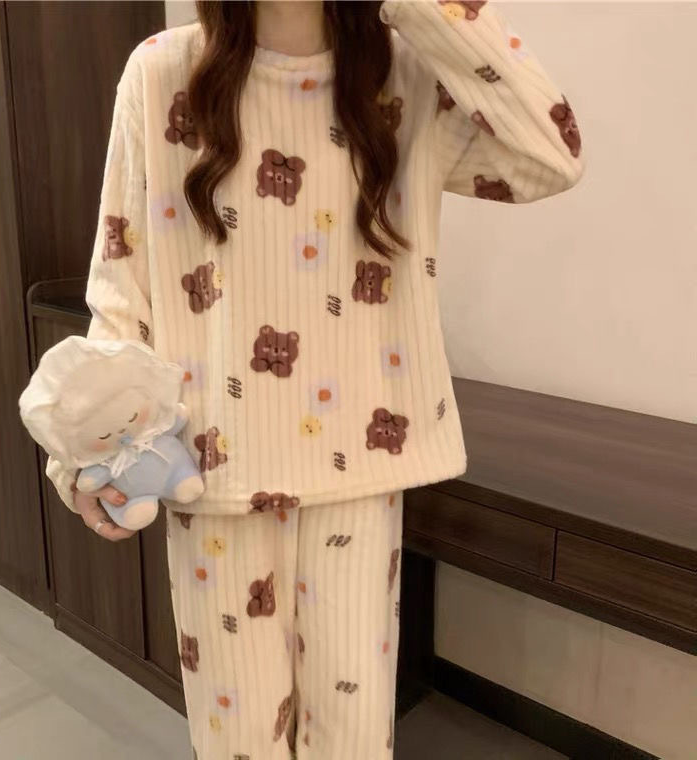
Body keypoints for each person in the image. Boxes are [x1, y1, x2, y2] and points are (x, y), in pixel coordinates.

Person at [45, 1, 584, 757]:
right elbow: (120, 289)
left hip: (360, 471)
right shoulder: (164, 72)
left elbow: (550, 158)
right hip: (215, 474)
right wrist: (83, 447)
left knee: (353, 744)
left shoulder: (406, 72)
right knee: (240, 746)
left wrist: (426, 8)